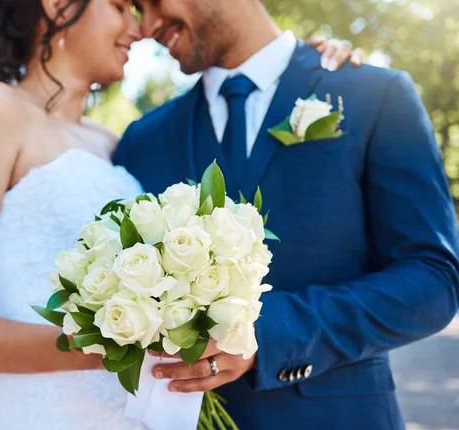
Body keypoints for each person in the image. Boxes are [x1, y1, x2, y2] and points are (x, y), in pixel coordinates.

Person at [0, 0, 362, 429]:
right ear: (57, 5)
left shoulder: (118, 145)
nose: (139, 30)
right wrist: (114, 343)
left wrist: (305, 61)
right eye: (120, 6)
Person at [114, 1, 459, 429]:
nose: (146, 26)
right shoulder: (141, 140)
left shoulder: (375, 95)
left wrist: (271, 334)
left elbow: (434, 279)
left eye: (151, 2)